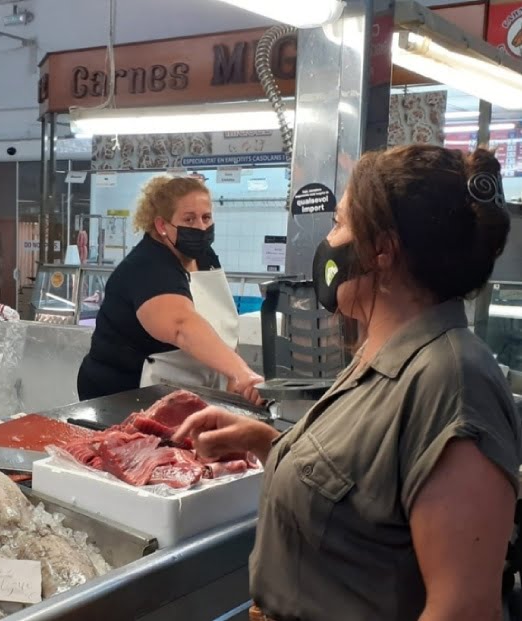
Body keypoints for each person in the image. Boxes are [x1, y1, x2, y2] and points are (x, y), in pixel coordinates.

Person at [174, 145, 521, 621]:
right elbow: (363, 501)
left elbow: (463, 610)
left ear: (381, 250)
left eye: (339, 223)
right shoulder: (379, 356)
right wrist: (264, 443)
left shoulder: (453, 385)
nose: (330, 242)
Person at [77, 175, 263, 403]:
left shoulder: (205, 257)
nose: (201, 227)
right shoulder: (147, 266)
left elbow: (218, 324)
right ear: (161, 225)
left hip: (181, 388)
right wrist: (240, 372)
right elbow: (181, 326)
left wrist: (231, 371)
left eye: (206, 217)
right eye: (189, 219)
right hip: (123, 395)